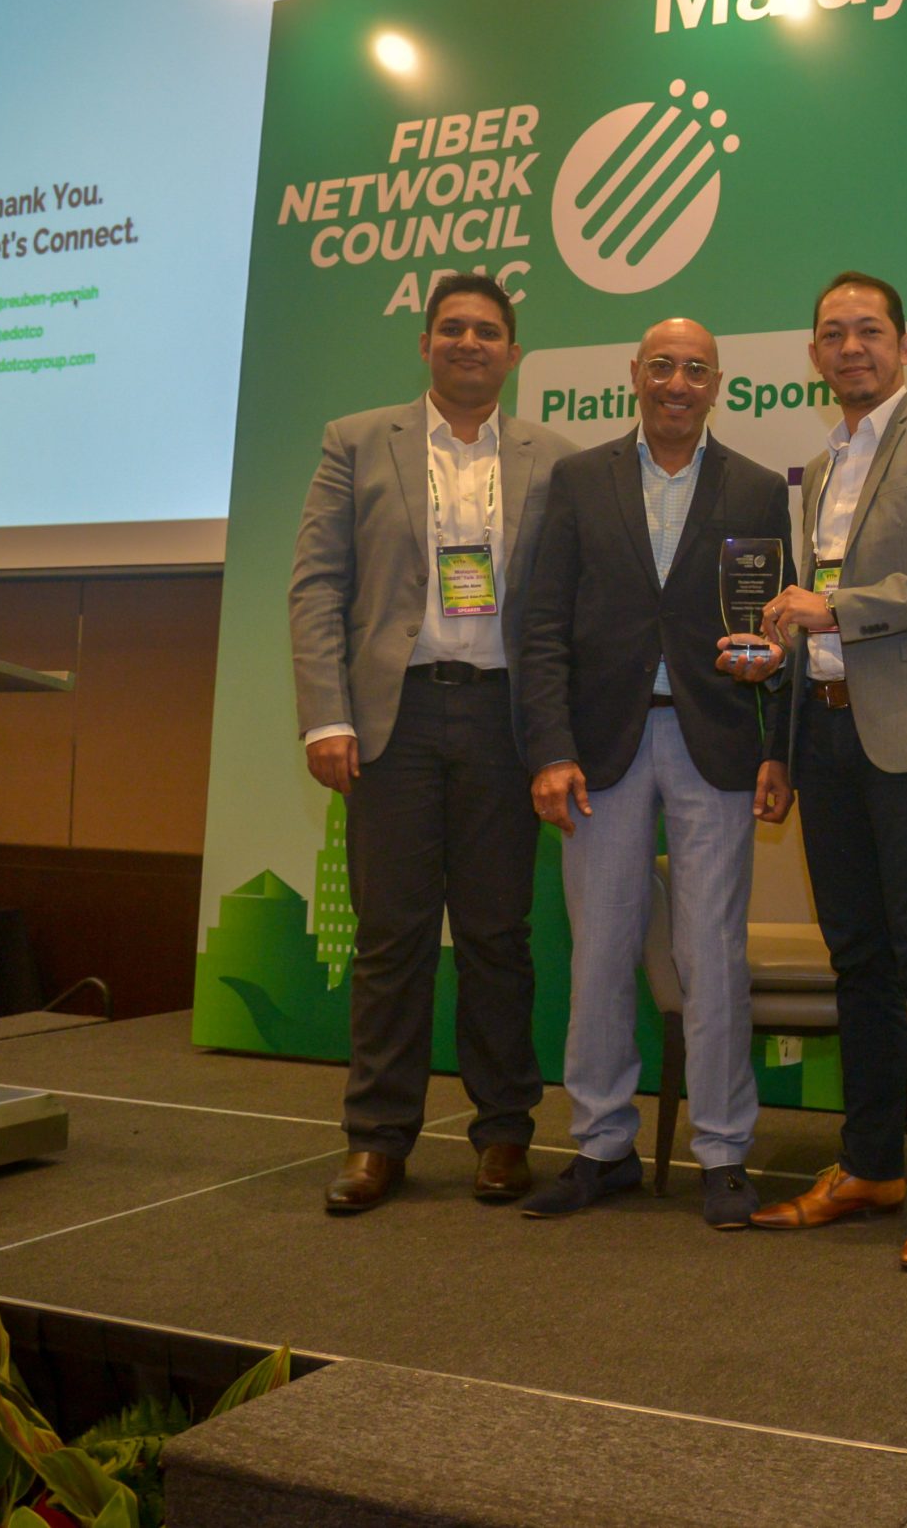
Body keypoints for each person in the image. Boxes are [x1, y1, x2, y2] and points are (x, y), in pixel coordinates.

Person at [288, 272, 576, 1215]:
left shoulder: (556, 459)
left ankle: (504, 1133)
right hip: (394, 721)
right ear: (424, 343)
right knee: (392, 935)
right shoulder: (356, 441)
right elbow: (317, 585)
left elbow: (569, 609)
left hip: (504, 721)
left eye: (487, 331)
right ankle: (376, 1139)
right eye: (451, 327)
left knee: (498, 936)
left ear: (513, 353)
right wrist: (326, 714)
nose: (468, 342)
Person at [742, 270, 907, 1269]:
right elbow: (805, 615)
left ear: (905, 345)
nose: (850, 347)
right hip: (825, 737)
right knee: (857, 960)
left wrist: (840, 608)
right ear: (813, 355)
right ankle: (869, 1165)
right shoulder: (817, 468)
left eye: (868, 330)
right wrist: (780, 743)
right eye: (832, 333)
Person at [515, 316, 795, 1226]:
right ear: (634, 373)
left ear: (718, 385)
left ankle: (723, 1151)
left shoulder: (757, 488)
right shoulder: (578, 479)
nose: (679, 383)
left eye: (696, 370)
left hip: (716, 744)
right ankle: (602, 1146)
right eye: (664, 366)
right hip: (601, 748)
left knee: (711, 954)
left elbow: (780, 630)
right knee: (600, 951)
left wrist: (778, 746)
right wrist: (550, 748)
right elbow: (541, 623)